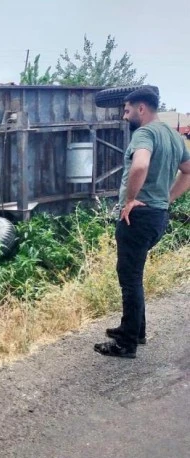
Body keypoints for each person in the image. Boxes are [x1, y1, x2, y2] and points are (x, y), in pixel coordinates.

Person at [94, 86, 190, 359]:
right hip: (158, 216)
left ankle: (127, 344)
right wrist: (168, 199)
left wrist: (130, 200)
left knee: (129, 277)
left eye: (126, 110)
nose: (124, 116)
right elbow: (188, 171)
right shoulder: (172, 135)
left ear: (141, 109)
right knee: (135, 274)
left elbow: (139, 166)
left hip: (139, 216)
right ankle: (135, 329)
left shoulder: (145, 133)